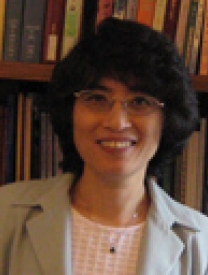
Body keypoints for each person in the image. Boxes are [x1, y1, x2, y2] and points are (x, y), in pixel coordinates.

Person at [0, 17, 208, 275]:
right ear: (70, 111)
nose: (117, 122)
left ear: (167, 120)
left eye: (140, 102)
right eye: (97, 98)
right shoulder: (5, 215)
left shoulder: (201, 242)